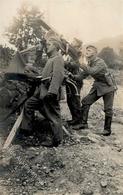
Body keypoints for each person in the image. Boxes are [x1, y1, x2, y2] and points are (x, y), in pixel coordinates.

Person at [20, 37, 65, 147]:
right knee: (29, 104)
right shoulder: (51, 58)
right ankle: (27, 130)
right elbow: (46, 75)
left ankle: (57, 140)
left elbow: (58, 76)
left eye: (49, 44)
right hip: (41, 91)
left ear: (55, 46)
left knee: (54, 116)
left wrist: (53, 91)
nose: (47, 46)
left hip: (49, 92)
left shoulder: (58, 58)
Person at [73, 45, 117, 136]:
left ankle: (107, 130)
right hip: (98, 85)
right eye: (86, 50)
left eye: (89, 51)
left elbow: (92, 72)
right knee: (85, 102)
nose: (86, 52)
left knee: (108, 109)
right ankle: (83, 123)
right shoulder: (89, 63)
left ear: (94, 53)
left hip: (108, 87)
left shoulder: (100, 62)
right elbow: (81, 76)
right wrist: (71, 76)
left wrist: (82, 63)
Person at [64, 38, 83, 126]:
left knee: (75, 100)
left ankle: (78, 120)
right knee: (70, 100)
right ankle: (74, 118)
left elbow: (77, 65)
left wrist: (65, 63)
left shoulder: (79, 54)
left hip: (76, 79)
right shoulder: (71, 53)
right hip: (70, 79)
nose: (71, 42)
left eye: (74, 42)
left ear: (78, 45)